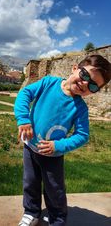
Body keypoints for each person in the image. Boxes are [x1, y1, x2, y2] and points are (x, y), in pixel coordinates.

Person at [14, 54, 111, 226]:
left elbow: (82, 135)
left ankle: (57, 219)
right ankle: (31, 212)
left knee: (55, 190)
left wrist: (58, 146)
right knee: (30, 183)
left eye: (93, 86)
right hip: (30, 147)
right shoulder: (48, 82)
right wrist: (23, 119)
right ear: (75, 68)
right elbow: (25, 93)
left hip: (53, 155)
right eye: (85, 75)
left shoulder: (80, 108)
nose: (85, 84)